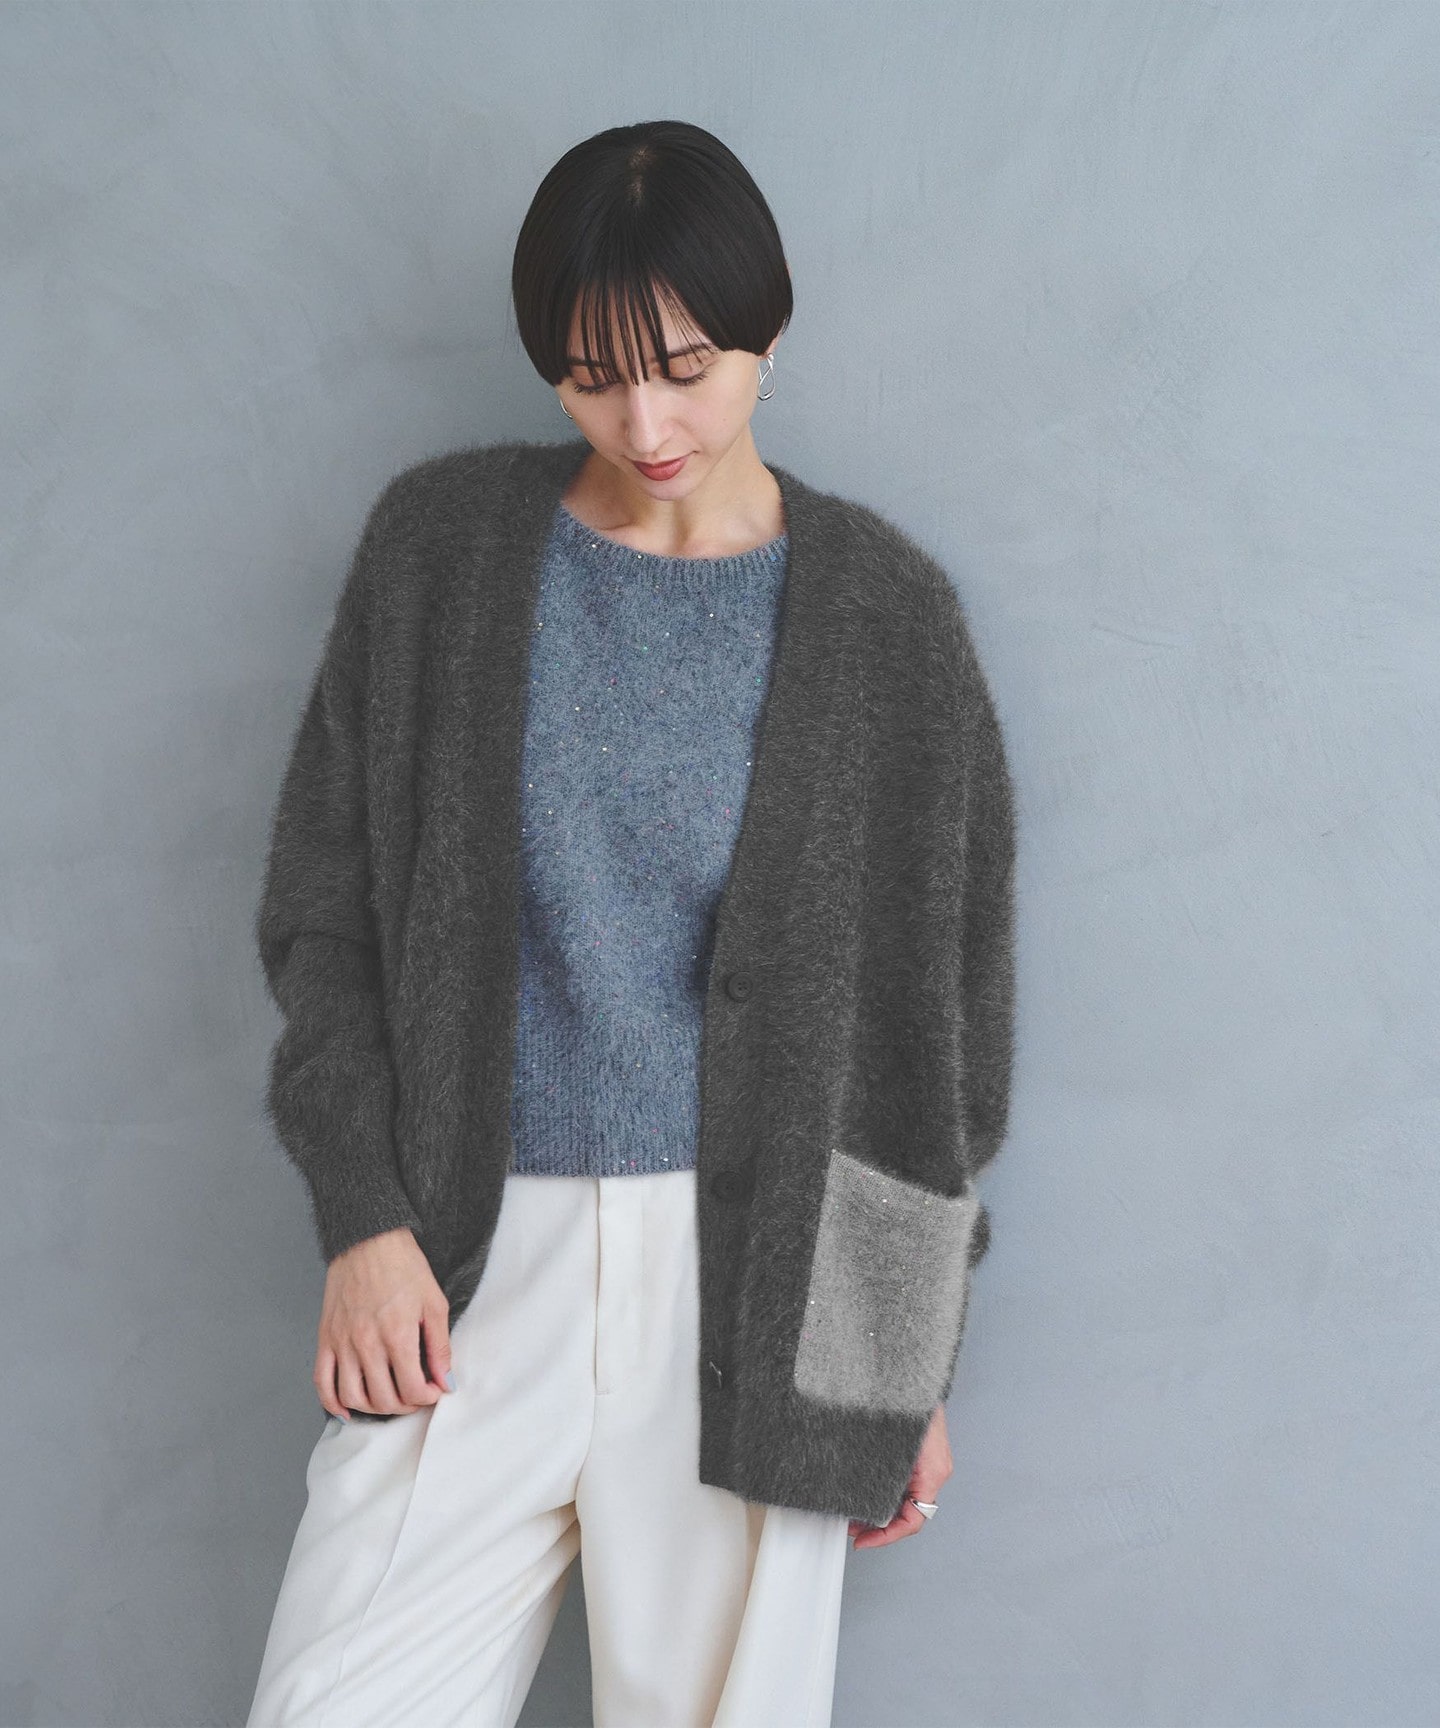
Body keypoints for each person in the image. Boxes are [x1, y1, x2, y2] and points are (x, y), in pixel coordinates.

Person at [245, 119, 1018, 1728]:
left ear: (768, 330)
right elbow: (324, 916)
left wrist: (896, 1366)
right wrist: (363, 1218)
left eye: (686, 368)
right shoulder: (441, 555)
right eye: (593, 378)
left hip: (755, 1285)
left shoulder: (888, 623)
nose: (647, 424)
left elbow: (935, 1037)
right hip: (464, 1270)